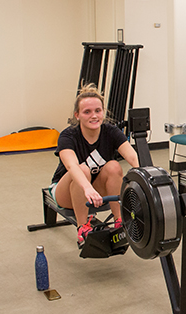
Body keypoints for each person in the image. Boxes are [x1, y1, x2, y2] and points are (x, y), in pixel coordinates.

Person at [51, 84, 140, 248]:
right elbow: (72, 167)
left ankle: (119, 220)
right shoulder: (68, 135)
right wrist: (87, 189)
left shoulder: (110, 132)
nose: (94, 116)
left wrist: (147, 177)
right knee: (82, 169)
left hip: (95, 191)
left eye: (98, 111)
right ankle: (82, 227)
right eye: (87, 112)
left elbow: (132, 156)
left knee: (114, 166)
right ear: (77, 115)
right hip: (66, 193)